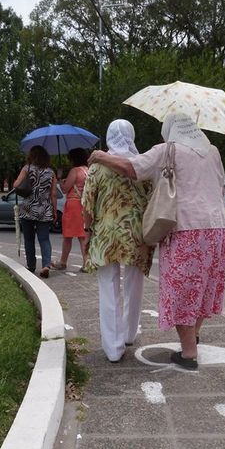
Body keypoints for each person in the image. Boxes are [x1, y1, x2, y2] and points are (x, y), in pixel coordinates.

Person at [88, 112, 225, 371]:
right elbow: (220, 187)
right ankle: (193, 338)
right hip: (218, 228)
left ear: (172, 130)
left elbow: (132, 168)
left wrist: (101, 156)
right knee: (203, 287)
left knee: (181, 291)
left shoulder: (167, 150)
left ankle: (188, 352)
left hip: (186, 228)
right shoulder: (214, 151)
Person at [82, 120, 154, 363]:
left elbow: (87, 205)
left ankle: (113, 348)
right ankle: (129, 333)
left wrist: (87, 230)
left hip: (105, 235)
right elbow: (152, 197)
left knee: (108, 287)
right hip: (136, 233)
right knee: (134, 284)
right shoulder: (142, 165)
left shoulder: (97, 167)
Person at [13, 145, 57, 278]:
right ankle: (45, 265)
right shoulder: (51, 172)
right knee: (44, 239)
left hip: (28, 209)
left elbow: (16, 185)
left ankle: (31, 265)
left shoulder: (27, 169)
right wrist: (54, 211)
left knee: (29, 239)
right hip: (44, 209)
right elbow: (53, 194)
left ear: (32, 156)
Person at [51, 148, 89, 271]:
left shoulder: (75, 171)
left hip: (73, 205)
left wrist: (60, 179)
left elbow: (66, 189)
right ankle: (86, 262)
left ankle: (63, 262)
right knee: (83, 234)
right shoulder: (87, 170)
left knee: (68, 235)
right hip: (84, 203)